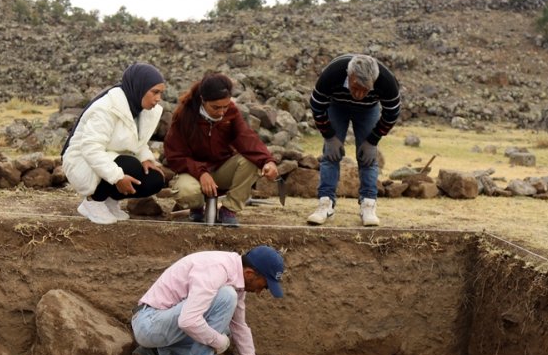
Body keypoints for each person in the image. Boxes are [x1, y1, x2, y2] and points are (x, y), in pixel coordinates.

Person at [130, 245, 283, 355]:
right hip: (149, 323)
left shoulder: (235, 278)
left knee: (226, 330)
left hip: (160, 325)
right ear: (250, 273)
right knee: (226, 298)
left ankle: (160, 352)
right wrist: (219, 343)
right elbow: (188, 321)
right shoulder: (216, 270)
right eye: (264, 286)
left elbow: (240, 328)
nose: (259, 292)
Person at [164, 72, 279, 227]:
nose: (221, 112)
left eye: (225, 106)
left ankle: (229, 210)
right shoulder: (184, 115)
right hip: (192, 174)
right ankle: (196, 208)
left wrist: (267, 161)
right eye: (215, 107)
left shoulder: (231, 111)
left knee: (251, 162)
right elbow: (175, 156)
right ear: (203, 100)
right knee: (187, 191)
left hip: (221, 170)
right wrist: (201, 172)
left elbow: (246, 137)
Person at [62, 62, 168, 225]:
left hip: (110, 159)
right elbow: (90, 148)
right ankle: (92, 201)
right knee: (130, 166)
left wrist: (146, 158)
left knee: (154, 179)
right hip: (82, 161)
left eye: (161, 93)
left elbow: (138, 141)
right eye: (154, 92)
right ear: (139, 87)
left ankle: (109, 200)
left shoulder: (140, 110)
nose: (158, 98)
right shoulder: (106, 108)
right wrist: (117, 177)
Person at [307, 53, 401, 227]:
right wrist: (329, 136)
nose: (358, 94)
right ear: (349, 76)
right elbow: (317, 105)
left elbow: (391, 114)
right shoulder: (333, 73)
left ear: (374, 81)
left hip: (368, 110)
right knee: (330, 155)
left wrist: (373, 140)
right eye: (355, 86)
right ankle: (325, 204)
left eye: (365, 89)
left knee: (367, 158)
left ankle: (368, 204)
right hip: (336, 106)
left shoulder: (386, 82)